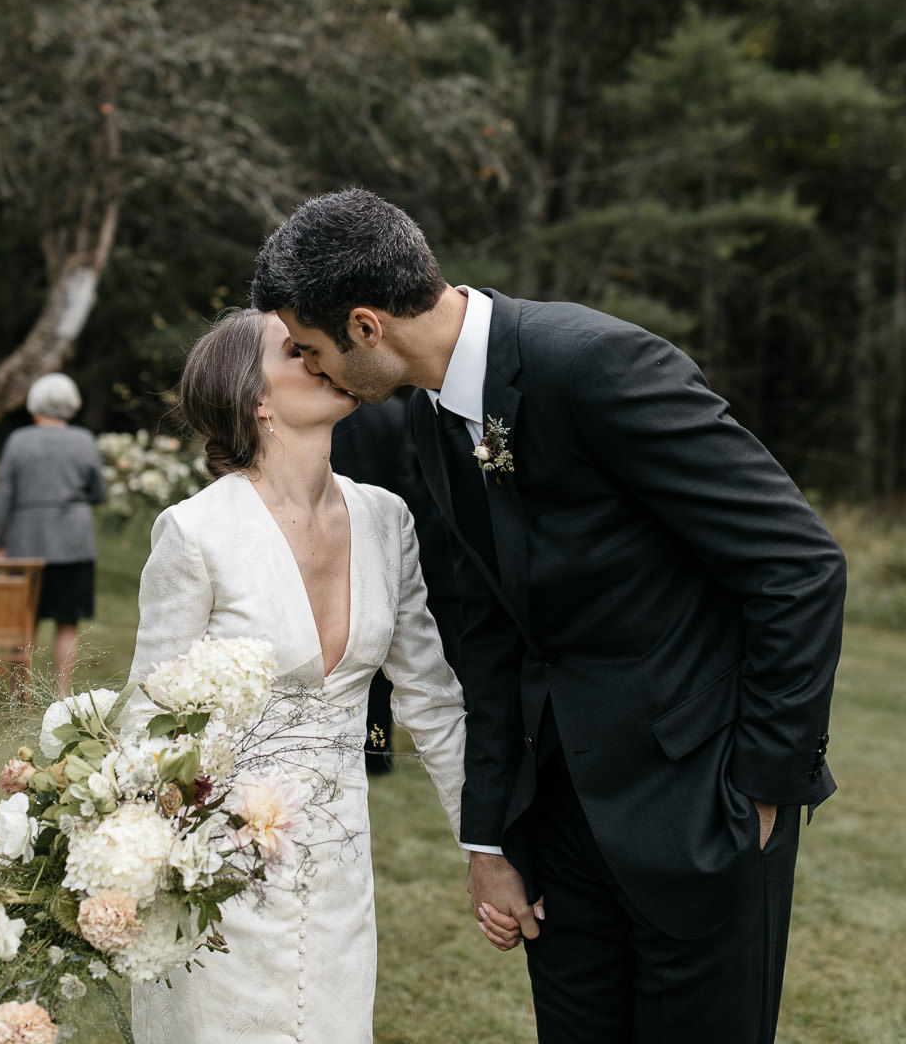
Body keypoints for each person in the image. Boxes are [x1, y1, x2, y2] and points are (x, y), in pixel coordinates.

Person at [251, 189, 846, 1044]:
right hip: (559, 828)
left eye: (313, 350)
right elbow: (485, 634)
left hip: (700, 804)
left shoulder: (597, 363)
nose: (314, 371)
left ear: (367, 326)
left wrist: (761, 791)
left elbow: (799, 564)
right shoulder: (428, 420)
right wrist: (491, 836)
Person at [127, 308, 467, 1044]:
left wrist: (485, 846)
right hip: (219, 867)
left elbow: (432, 698)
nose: (326, 356)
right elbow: (146, 722)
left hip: (341, 866)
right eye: (297, 350)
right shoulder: (195, 532)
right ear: (257, 398)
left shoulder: (386, 518)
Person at [329, 392, 462, 773]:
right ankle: (376, 752)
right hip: (385, 539)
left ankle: (364, 748)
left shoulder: (318, 413)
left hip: (333, 539)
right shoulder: (393, 413)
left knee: (351, 650)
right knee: (381, 648)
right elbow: (410, 480)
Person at [0, 373, 106, 698]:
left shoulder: (18, 441)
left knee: (22, 622)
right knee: (68, 621)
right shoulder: (84, 440)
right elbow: (98, 491)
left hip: (27, 543)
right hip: (74, 542)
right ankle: (61, 694)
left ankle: (18, 693)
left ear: (36, 403)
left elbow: (2, 497)